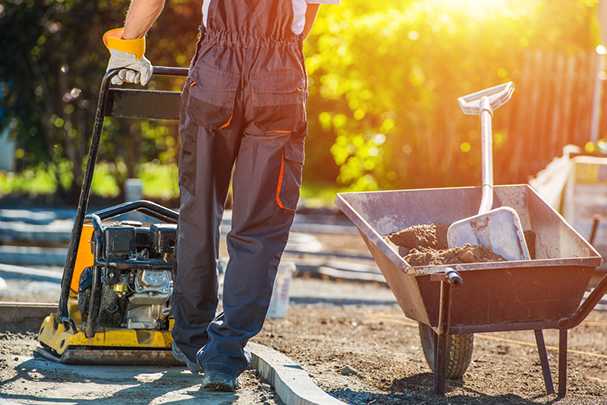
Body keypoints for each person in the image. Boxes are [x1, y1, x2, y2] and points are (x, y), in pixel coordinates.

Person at [103, 0, 338, 392]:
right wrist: (278, 49)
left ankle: (192, 337)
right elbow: (309, 13)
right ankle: (224, 353)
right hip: (278, 77)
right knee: (260, 223)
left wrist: (127, 45)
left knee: (199, 211)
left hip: (216, 70)